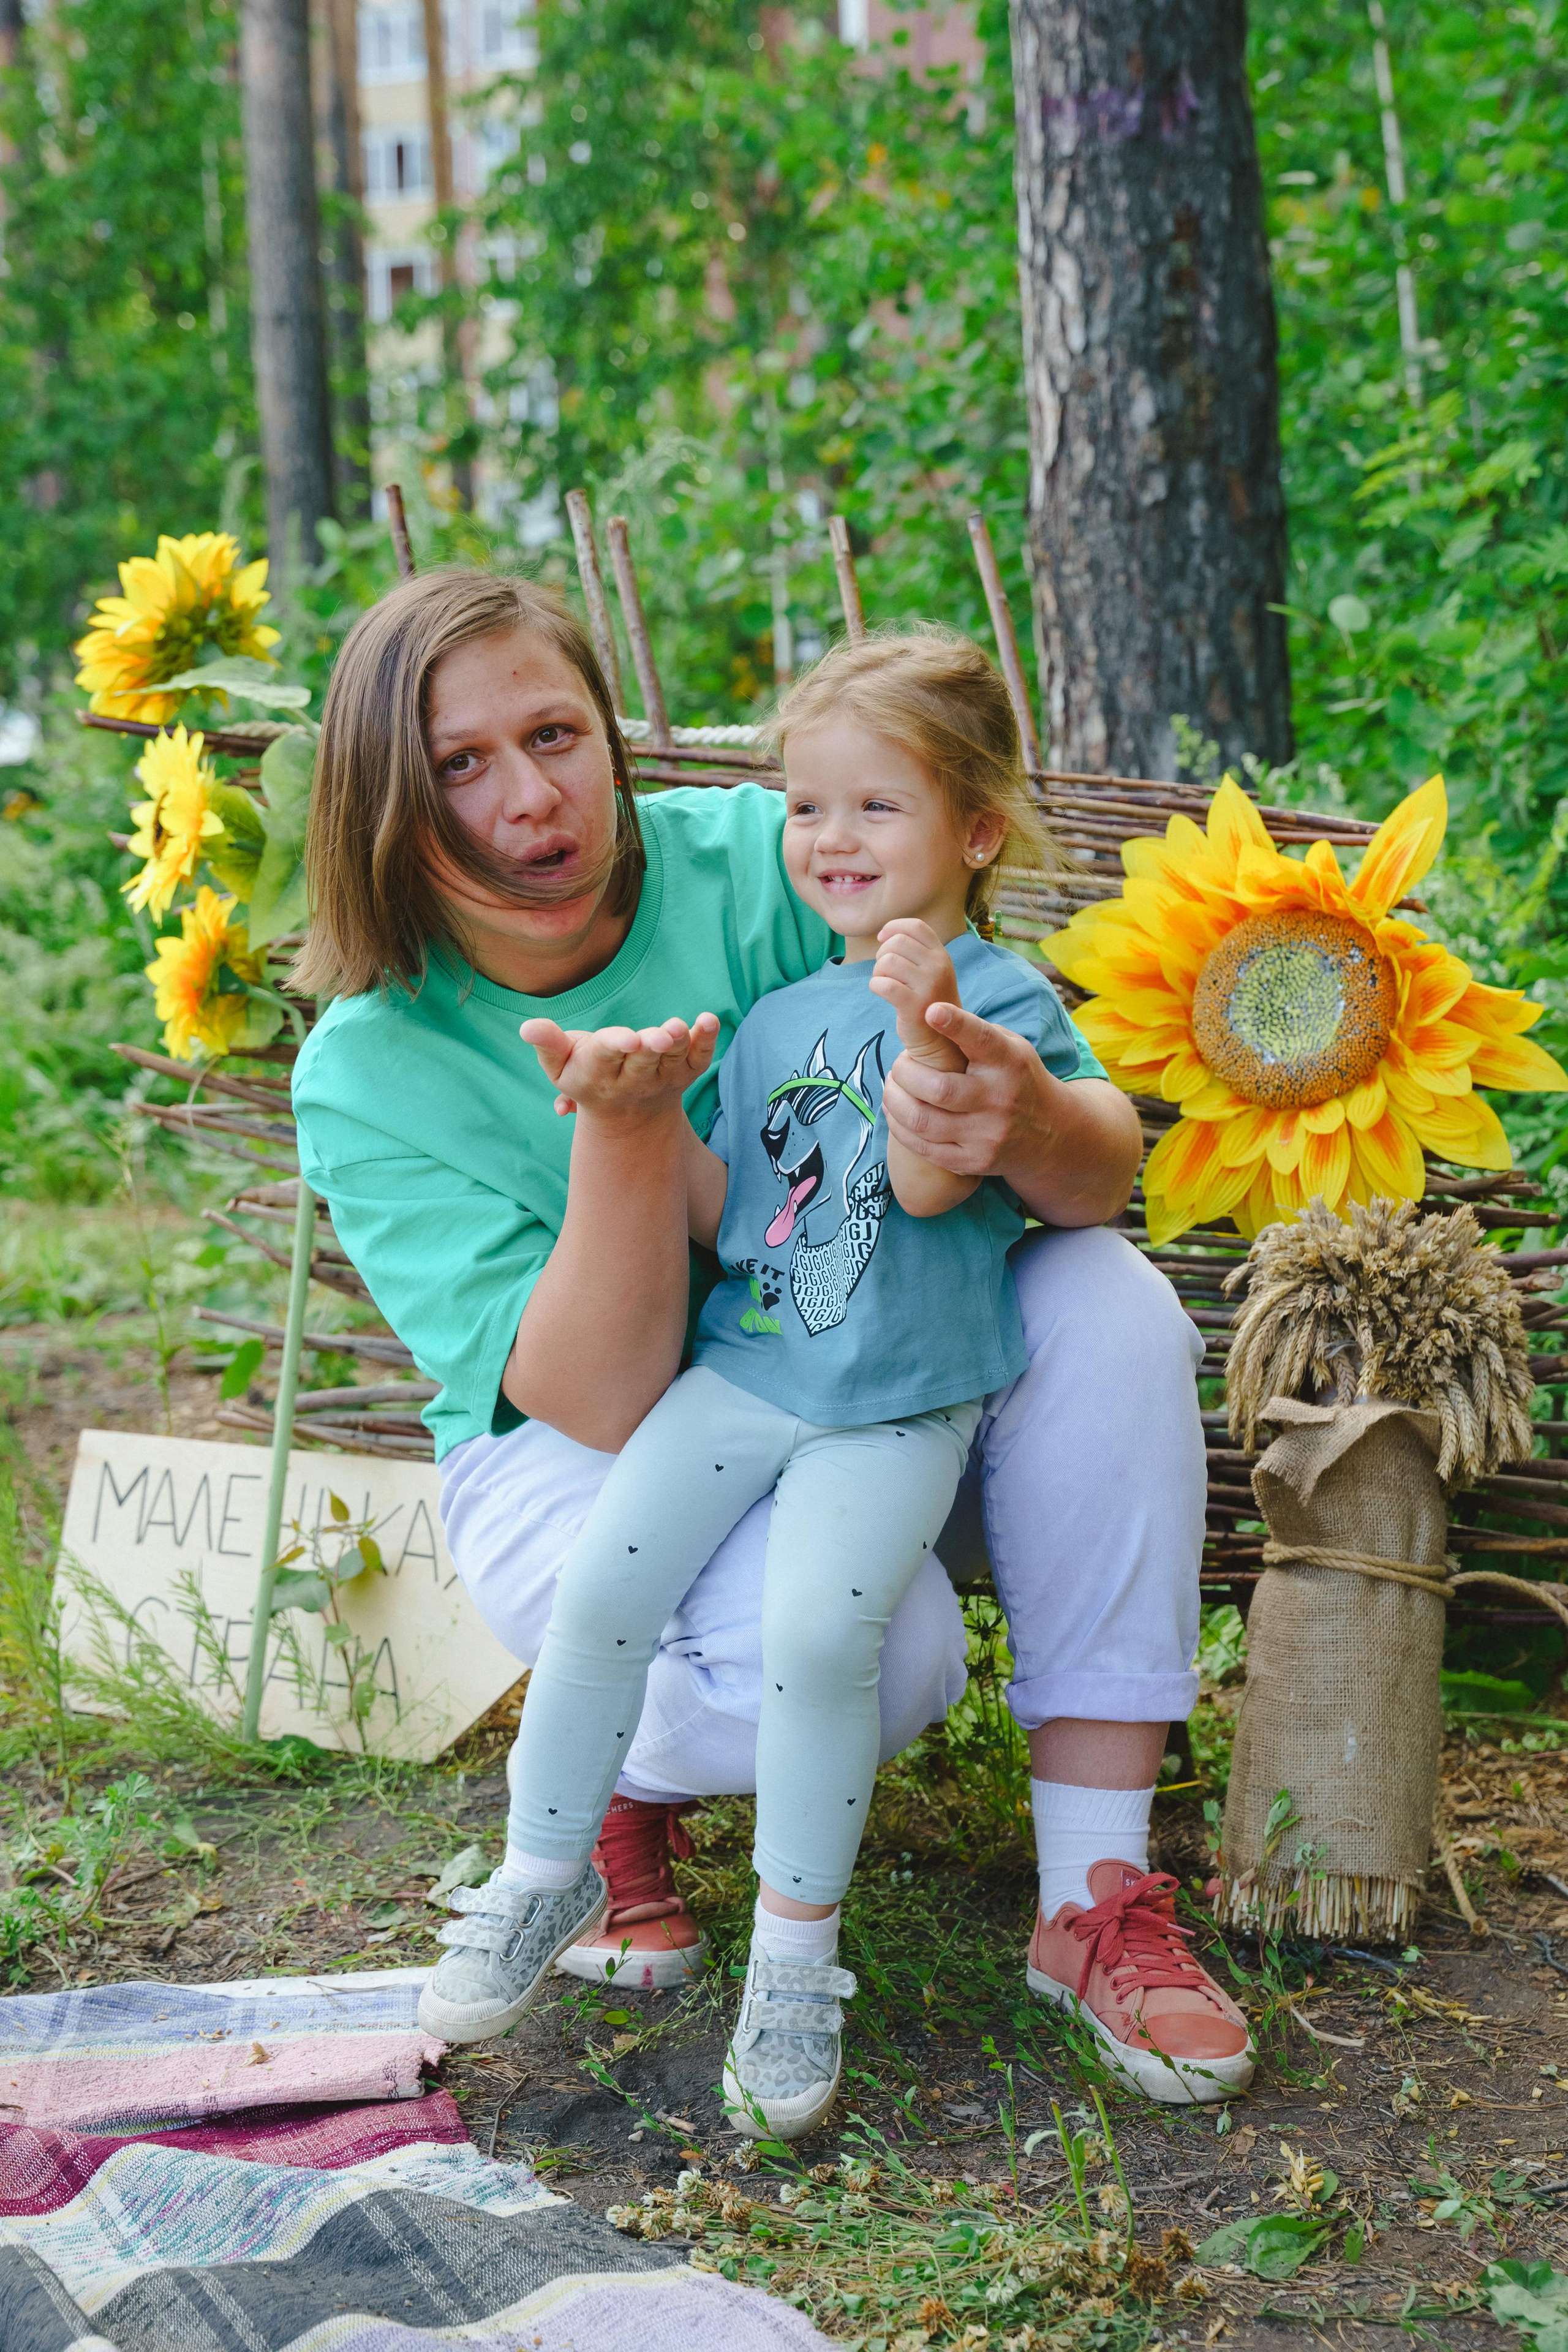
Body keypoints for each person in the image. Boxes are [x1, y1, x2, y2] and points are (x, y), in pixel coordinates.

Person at [291, 567, 1254, 2112]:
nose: (531, 798)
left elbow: (1083, 1173)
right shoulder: (371, 1063)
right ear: (381, 803)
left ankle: (1091, 1897)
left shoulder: (783, 856)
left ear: (610, 732)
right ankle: (602, 1801)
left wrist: (1009, 1119)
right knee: (885, 1662)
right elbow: (601, 1399)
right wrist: (623, 1131)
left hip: (867, 1374)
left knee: (1110, 1302)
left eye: (553, 733)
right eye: (459, 765)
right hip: (588, 1447)